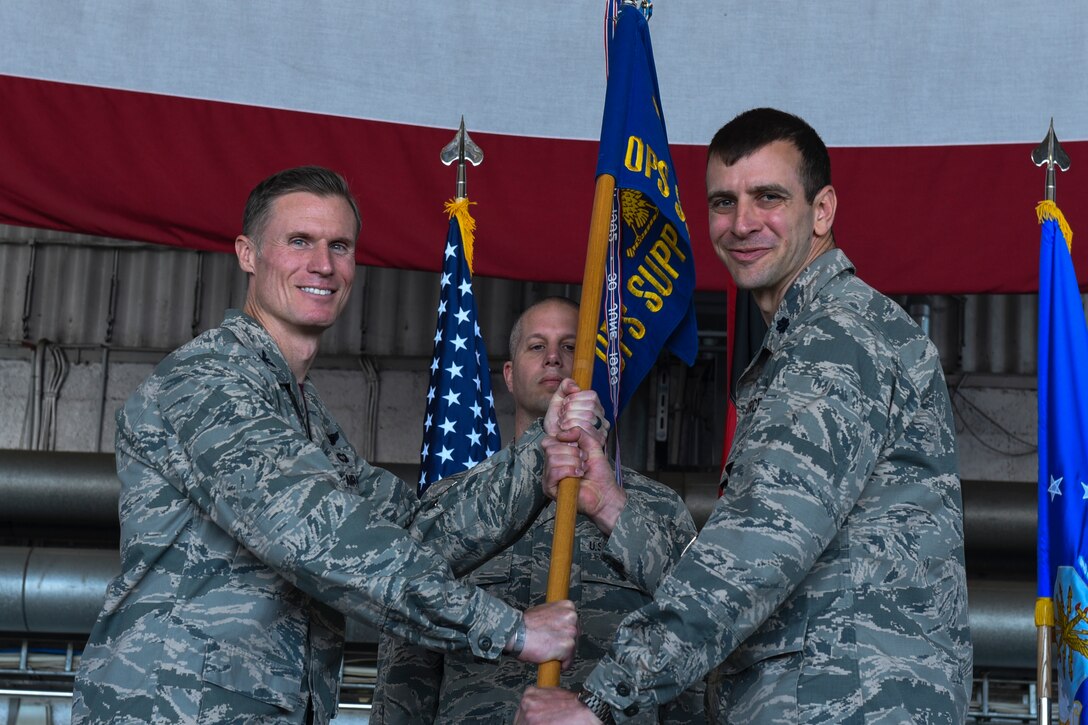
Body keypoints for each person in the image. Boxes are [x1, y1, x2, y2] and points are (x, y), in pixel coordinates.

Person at [71, 166, 584, 724]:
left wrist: (538, 455)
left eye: (339, 246)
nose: (323, 265)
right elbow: (322, 536)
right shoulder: (208, 381)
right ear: (247, 254)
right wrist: (510, 628)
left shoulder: (303, 414)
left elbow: (415, 528)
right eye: (299, 241)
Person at [517, 108, 972, 723]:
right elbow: (767, 561)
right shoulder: (812, 338)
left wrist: (601, 701)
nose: (742, 223)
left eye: (769, 197)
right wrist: (609, 506)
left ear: (823, 210)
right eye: (723, 203)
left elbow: (757, 551)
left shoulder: (837, 338)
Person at [370, 297, 705, 724]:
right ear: (508, 375)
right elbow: (406, 644)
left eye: (570, 346)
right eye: (536, 346)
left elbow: (698, 631)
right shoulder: (454, 507)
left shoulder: (654, 506)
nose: (553, 358)